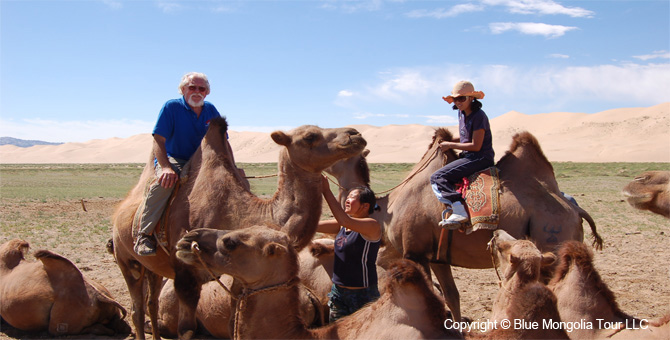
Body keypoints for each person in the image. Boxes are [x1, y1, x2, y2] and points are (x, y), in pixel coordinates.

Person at [135, 72, 238, 256]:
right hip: (175, 158)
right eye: (192, 87)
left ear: (207, 92)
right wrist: (165, 167)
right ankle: (145, 234)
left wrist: (231, 167)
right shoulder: (171, 107)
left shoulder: (210, 110)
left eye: (201, 88)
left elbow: (223, 140)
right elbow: (158, 139)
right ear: (183, 89)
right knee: (165, 184)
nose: (196, 91)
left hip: (203, 161)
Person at [430, 80, 495, 229]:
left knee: (437, 177)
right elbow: (465, 137)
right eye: (455, 99)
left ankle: (459, 211)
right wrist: (446, 141)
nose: (458, 102)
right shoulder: (462, 113)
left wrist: (450, 145)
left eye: (462, 98)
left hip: (480, 157)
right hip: (469, 156)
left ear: (471, 98)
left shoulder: (479, 116)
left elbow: (475, 145)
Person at [316, 176, 381, 322]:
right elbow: (312, 225)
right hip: (338, 294)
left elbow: (344, 220)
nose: (347, 199)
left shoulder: (372, 226)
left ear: (365, 206)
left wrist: (326, 191)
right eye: (348, 196)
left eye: (352, 197)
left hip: (363, 296)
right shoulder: (343, 226)